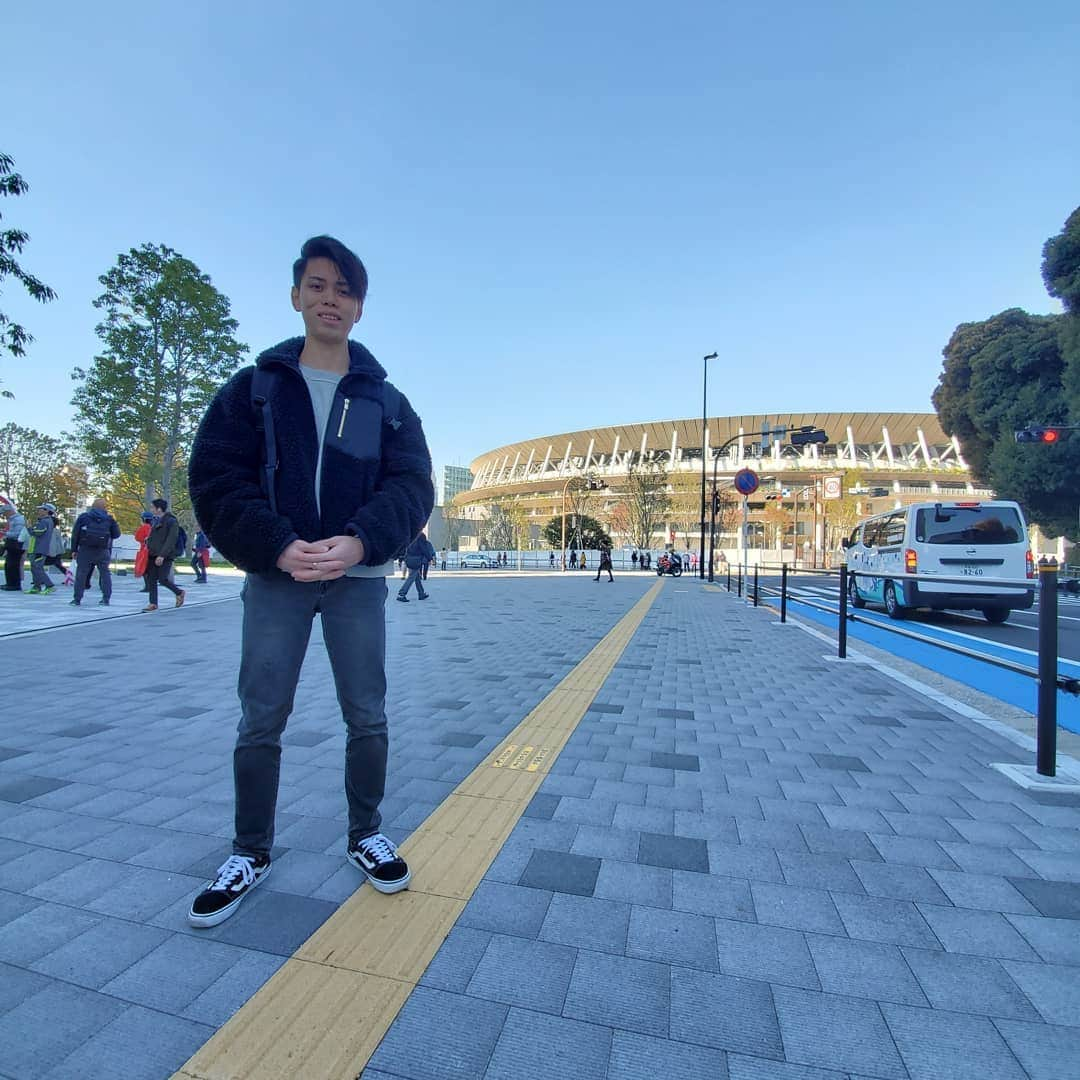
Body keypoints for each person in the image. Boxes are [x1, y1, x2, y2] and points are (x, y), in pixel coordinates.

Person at [187, 235, 434, 928]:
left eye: (345, 289)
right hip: (278, 577)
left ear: (360, 307)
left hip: (357, 580)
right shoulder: (255, 390)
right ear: (296, 296)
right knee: (262, 716)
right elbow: (215, 476)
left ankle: (365, 834)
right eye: (318, 286)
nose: (331, 299)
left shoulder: (385, 400)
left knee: (369, 713)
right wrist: (277, 545)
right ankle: (250, 851)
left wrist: (360, 540)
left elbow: (413, 485)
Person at [70, 498, 120, 606]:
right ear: (104, 507)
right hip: (103, 550)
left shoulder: (84, 517)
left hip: (85, 550)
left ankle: (77, 599)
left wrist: (74, 549)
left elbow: (75, 534)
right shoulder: (109, 519)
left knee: (81, 574)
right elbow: (116, 534)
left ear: (92, 506)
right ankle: (106, 599)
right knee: (105, 574)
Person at [143, 498, 186, 612]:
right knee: (151, 579)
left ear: (159, 509)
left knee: (163, 579)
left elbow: (171, 540)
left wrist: (162, 555)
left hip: (165, 555)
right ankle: (153, 603)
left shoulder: (171, 521)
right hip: (152, 554)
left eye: (153, 507)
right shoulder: (155, 520)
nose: (151, 509)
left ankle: (179, 592)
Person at [26, 504, 57, 594]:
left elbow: (37, 533)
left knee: (38, 568)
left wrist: (29, 527)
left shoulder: (44, 521)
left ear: (47, 511)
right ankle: (36, 586)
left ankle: (49, 586)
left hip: (39, 549)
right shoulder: (46, 521)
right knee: (34, 568)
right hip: (36, 548)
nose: (38, 511)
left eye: (41, 509)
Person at [398, 530, 435, 602]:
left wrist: (401, 558)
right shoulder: (420, 536)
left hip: (409, 558)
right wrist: (430, 558)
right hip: (416, 559)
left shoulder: (410, 535)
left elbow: (403, 547)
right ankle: (401, 594)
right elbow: (424, 548)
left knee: (417, 577)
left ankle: (421, 593)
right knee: (411, 577)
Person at [43, 508, 74, 586]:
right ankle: (69, 576)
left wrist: (51, 552)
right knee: (58, 565)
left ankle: (41, 579)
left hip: (52, 552)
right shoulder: (56, 531)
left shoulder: (51, 531)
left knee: (39, 565)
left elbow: (52, 543)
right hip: (57, 551)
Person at [1, 503, 26, 591]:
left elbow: (17, 534)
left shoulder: (18, 520)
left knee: (13, 565)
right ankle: (10, 583)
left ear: (9, 511)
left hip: (16, 545)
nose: (4, 515)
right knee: (8, 564)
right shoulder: (13, 520)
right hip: (12, 544)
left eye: (4, 513)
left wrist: (5, 533)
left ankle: (14, 585)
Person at [133, 511, 153, 591]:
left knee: (144, 569)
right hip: (152, 550)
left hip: (144, 550)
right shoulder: (153, 527)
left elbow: (138, 537)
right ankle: (150, 586)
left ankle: (147, 586)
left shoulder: (144, 527)